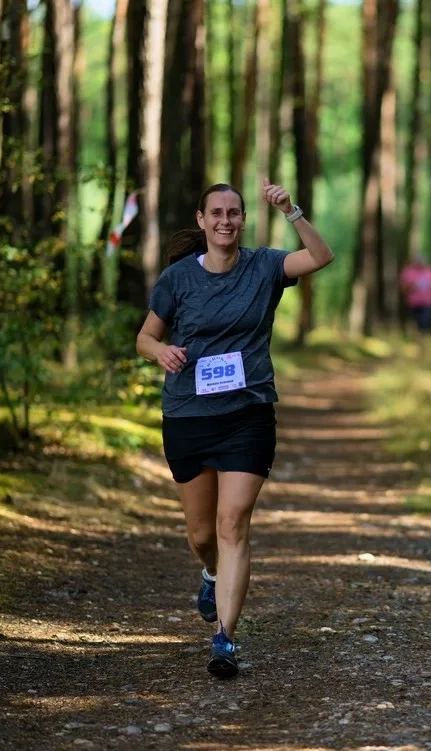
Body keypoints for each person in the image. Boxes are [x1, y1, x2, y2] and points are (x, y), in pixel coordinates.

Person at [136, 179, 334, 679]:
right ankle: (209, 572)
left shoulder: (265, 266)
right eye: (216, 213)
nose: (226, 221)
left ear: (243, 220)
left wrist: (291, 211)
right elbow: (145, 336)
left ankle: (224, 637)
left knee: (232, 524)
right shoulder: (178, 278)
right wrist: (161, 352)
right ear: (202, 221)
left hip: (247, 415)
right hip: (187, 415)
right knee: (203, 533)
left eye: (234, 213)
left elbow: (321, 255)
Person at [399, 254, 431, 345]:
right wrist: (411, 287)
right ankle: (416, 339)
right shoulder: (408, 272)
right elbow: (403, 287)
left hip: (428, 302)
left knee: (425, 320)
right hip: (413, 302)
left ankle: (423, 339)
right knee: (416, 321)